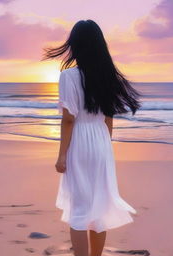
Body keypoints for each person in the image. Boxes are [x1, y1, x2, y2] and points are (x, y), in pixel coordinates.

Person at [41, 19, 142, 256]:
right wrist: (105, 146)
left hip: (80, 141)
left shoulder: (69, 76)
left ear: (75, 45)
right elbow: (109, 118)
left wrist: (61, 156)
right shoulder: (108, 76)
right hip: (101, 141)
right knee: (99, 207)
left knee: (79, 209)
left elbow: (68, 119)